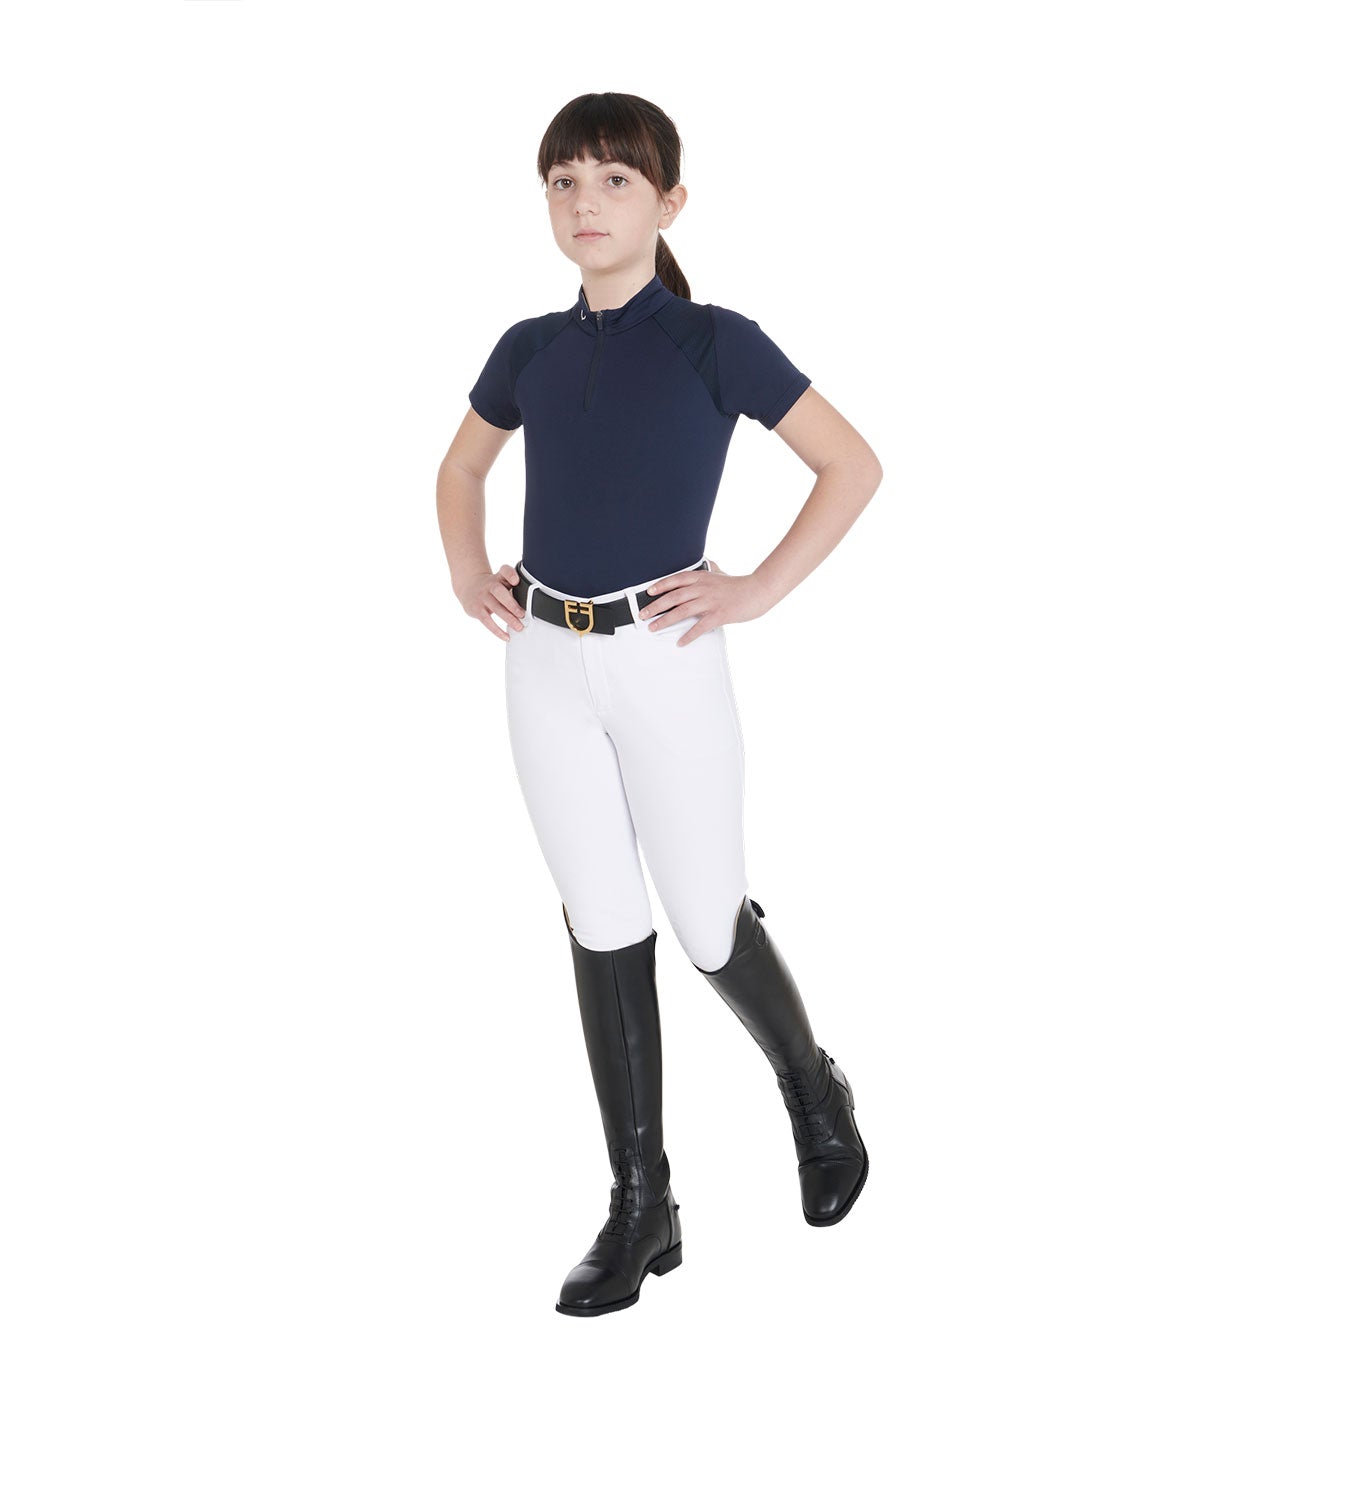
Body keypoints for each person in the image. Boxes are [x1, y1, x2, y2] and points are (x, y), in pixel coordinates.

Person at [437, 92, 884, 1317]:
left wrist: (757, 589)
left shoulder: (713, 342)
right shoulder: (528, 348)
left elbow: (852, 464)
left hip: (667, 652)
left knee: (703, 916)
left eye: (615, 181)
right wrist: (468, 569)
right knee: (599, 919)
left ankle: (813, 1090)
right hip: (543, 661)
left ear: (669, 203)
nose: (585, 202)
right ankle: (644, 1205)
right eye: (564, 181)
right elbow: (463, 464)